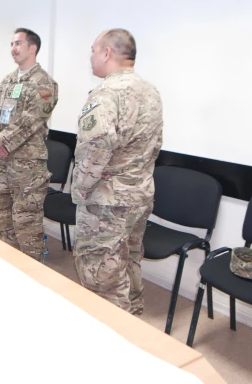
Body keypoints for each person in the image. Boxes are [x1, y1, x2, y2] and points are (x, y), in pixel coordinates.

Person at [72, 28, 163, 315]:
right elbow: (155, 144)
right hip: (139, 196)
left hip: (107, 205)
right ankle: (134, 328)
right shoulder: (150, 92)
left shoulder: (106, 94)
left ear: (107, 53)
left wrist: (81, 190)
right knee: (130, 265)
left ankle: (111, 342)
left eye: (93, 50)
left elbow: (96, 149)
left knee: (103, 280)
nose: (91, 57)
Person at [0, 28, 58, 259]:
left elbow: (33, 120)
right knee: (4, 215)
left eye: (18, 43)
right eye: (11, 44)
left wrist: (3, 139)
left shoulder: (45, 83)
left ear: (32, 48)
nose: (13, 49)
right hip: (4, 162)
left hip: (28, 166)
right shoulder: (8, 80)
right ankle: (11, 265)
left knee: (26, 222)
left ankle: (35, 271)